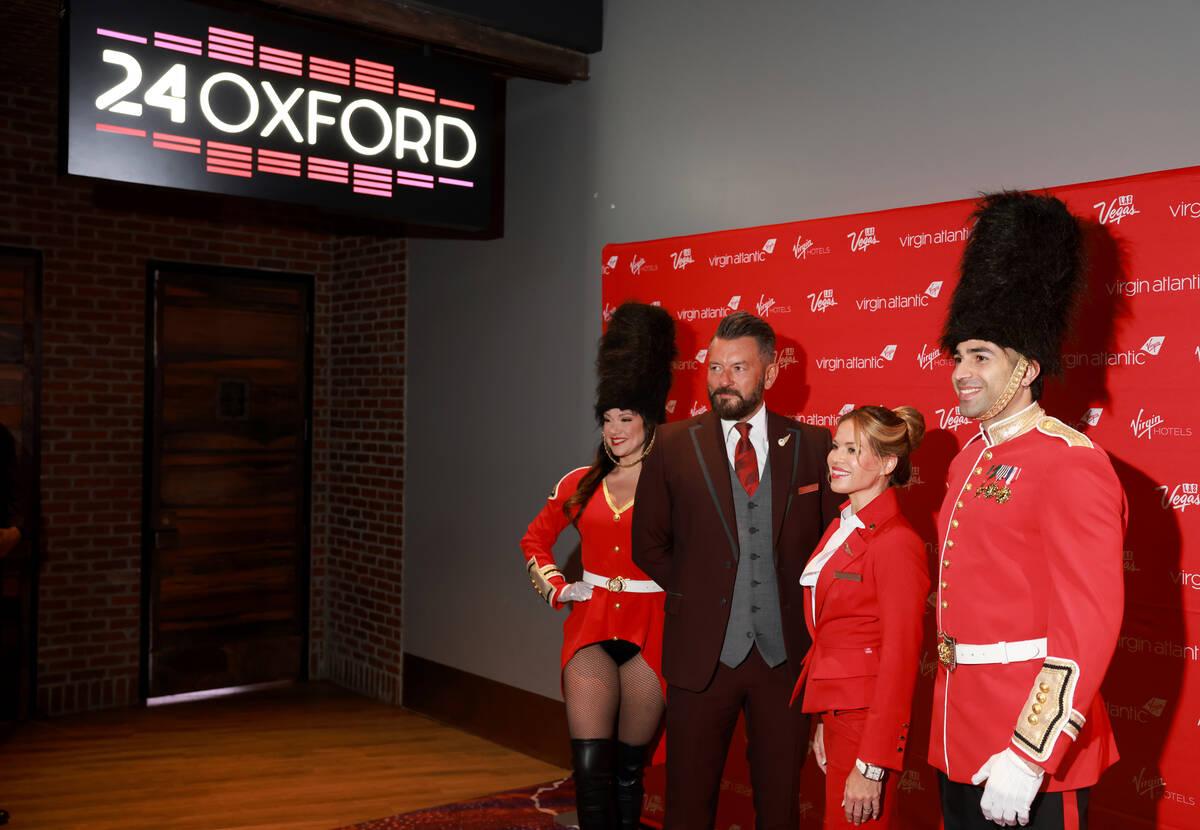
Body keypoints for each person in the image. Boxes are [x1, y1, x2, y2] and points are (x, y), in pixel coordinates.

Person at [931, 191, 1127, 829]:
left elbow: (1087, 623)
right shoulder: (967, 460)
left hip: (1030, 745)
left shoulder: (1072, 462)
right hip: (958, 727)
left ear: (1028, 366)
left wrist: (1030, 750)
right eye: (959, 356)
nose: (962, 371)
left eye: (980, 356)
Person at [632, 310, 841, 830]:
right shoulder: (672, 444)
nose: (722, 380)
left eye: (738, 368)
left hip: (784, 662)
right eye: (715, 367)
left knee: (779, 805)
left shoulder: (813, 446)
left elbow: (833, 549)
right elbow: (647, 544)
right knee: (688, 805)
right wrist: (699, 594)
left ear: (769, 374)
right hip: (701, 661)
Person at [521, 301, 676, 830]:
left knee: (629, 771)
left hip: (651, 630)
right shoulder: (578, 482)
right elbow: (534, 541)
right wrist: (557, 587)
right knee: (590, 769)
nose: (614, 429)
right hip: (589, 628)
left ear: (648, 418)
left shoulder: (676, 483)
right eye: (606, 418)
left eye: (625, 417)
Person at [792, 405, 929, 828]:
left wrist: (872, 763)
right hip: (839, 714)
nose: (836, 458)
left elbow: (900, 662)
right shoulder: (845, 526)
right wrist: (823, 716)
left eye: (853, 450)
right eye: (837, 446)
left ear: (888, 463)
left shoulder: (897, 543)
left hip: (866, 724)